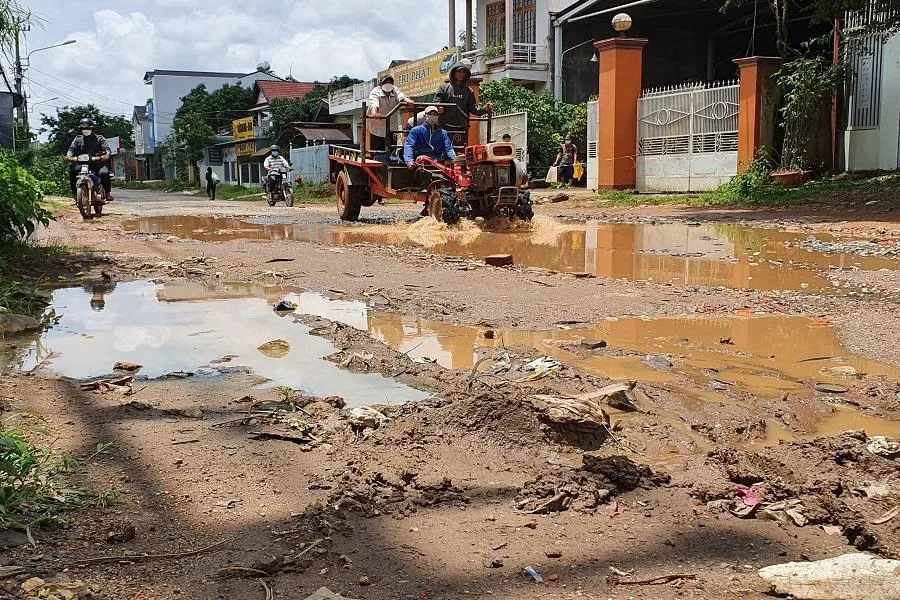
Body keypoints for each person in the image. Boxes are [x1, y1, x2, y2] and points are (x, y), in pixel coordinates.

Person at [404, 106, 457, 217]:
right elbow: (409, 146)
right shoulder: (416, 131)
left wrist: (454, 160)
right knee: (425, 166)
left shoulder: (442, 133)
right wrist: (409, 161)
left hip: (438, 161)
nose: (433, 116)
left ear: (438, 116)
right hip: (422, 162)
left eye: (435, 114)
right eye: (430, 113)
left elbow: (448, 148)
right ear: (425, 116)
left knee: (451, 175)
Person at [434, 64, 493, 147]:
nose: (461, 74)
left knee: (460, 151)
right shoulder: (443, 88)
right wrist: (439, 107)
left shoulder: (469, 91)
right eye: (459, 71)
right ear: (454, 73)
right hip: (444, 126)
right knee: (442, 150)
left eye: (463, 72)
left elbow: (474, 109)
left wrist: (485, 109)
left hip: (461, 127)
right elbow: (436, 103)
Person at [65, 118, 112, 202]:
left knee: (104, 173)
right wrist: (69, 156)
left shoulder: (99, 138)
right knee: (73, 172)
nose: (85, 130)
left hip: (97, 163)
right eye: (83, 128)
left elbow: (107, 148)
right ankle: (75, 193)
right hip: (82, 164)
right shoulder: (77, 139)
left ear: (92, 129)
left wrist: (106, 155)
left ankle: (107, 193)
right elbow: (71, 149)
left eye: (87, 128)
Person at [366, 75, 414, 154]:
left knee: (391, 152)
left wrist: (408, 101)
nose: (388, 84)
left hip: (391, 128)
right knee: (378, 153)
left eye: (390, 82)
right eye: (386, 82)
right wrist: (375, 112)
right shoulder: (375, 91)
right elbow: (374, 103)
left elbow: (401, 96)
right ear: (380, 84)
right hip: (377, 128)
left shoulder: (395, 90)